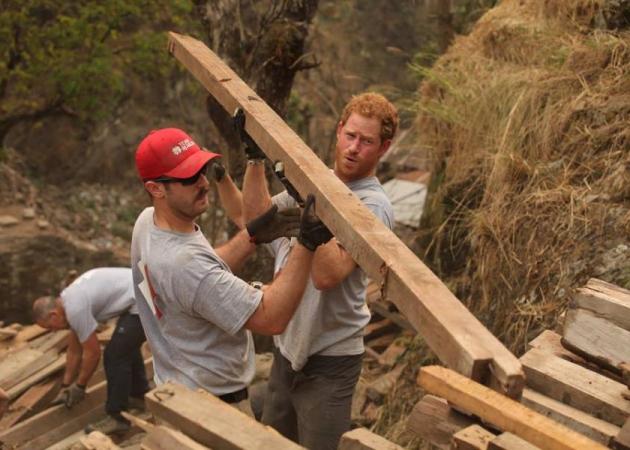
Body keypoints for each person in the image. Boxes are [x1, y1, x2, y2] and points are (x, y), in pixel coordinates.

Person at [130, 127, 331, 415]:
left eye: (201, 170)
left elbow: (205, 270)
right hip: (214, 410)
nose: (203, 183)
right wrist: (307, 243)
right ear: (156, 188)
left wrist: (251, 237)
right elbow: (272, 318)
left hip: (179, 390)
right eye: (188, 177)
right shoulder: (184, 264)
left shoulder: (148, 224)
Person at [241, 92, 397, 449]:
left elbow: (328, 276)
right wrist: (254, 160)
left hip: (331, 363)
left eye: (367, 141)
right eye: (350, 135)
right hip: (286, 351)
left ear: (384, 148)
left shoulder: (373, 205)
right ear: (339, 130)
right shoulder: (316, 182)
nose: (354, 147)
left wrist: (305, 198)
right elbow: (254, 220)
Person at [32, 267, 149, 435]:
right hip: (139, 294)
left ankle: (118, 418)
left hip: (145, 298)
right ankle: (139, 396)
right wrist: (66, 385)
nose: (53, 332)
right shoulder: (68, 300)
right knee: (125, 347)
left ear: (53, 315)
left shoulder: (75, 309)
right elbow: (74, 351)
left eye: (50, 327)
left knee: (114, 355)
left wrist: (80, 386)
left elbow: (93, 353)